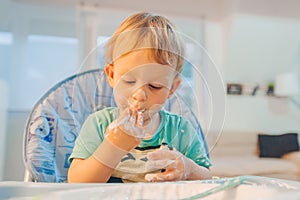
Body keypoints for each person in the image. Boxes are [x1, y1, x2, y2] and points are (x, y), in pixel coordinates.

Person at [68, 12, 212, 183]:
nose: (139, 95)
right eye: (129, 81)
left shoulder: (180, 130)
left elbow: (208, 177)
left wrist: (189, 169)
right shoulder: (99, 124)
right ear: (112, 75)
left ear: (172, 88)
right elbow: (76, 182)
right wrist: (113, 147)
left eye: (155, 86)